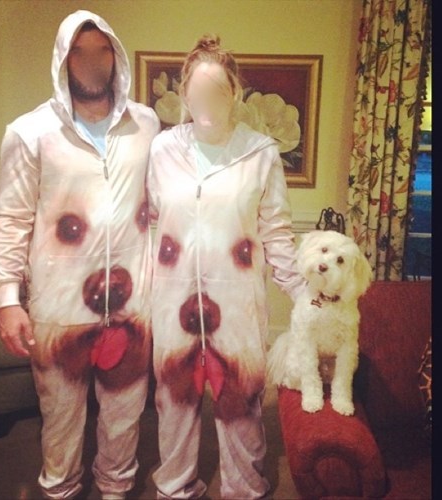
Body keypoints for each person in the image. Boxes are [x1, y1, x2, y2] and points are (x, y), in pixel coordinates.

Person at [0, 10, 160, 500]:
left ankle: (115, 489)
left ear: (115, 57)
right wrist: (8, 299)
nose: (92, 62)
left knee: (125, 415)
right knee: (61, 420)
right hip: (60, 309)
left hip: (132, 306)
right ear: (64, 59)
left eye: (102, 51)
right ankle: (61, 490)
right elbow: (12, 218)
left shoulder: (145, 124)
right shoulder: (29, 132)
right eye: (79, 53)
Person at [147, 35, 306, 499]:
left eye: (217, 90)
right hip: (173, 300)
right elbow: (152, 221)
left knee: (241, 398)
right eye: (197, 91)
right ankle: (176, 486)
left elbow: (276, 230)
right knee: (174, 399)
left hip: (237, 302)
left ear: (235, 92)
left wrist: (302, 293)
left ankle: (244, 487)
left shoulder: (260, 153)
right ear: (184, 92)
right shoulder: (162, 150)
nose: (206, 101)